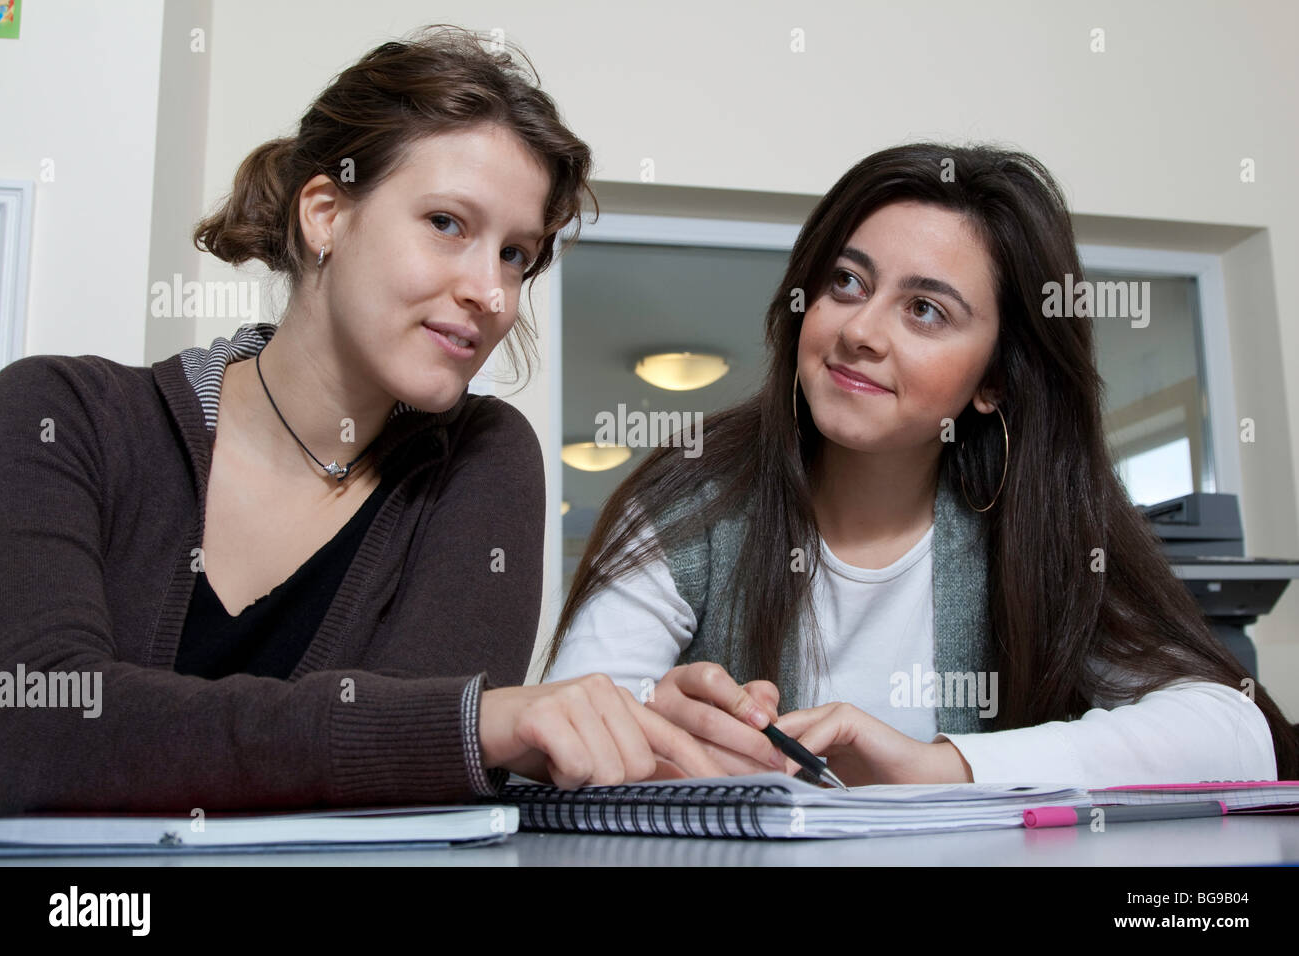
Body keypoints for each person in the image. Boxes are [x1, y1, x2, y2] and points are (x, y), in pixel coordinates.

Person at [0, 25, 720, 814]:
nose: (494, 293)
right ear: (325, 214)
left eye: (517, 254)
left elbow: (415, 784)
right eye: (447, 223)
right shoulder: (57, 416)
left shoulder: (481, 460)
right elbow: (36, 731)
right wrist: (459, 725)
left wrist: (443, 732)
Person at [543, 142, 1298, 787]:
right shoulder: (690, 500)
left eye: (926, 309)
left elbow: (1235, 735)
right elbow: (558, 734)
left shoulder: (1042, 528)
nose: (861, 330)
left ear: (994, 380)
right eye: (847, 282)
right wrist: (654, 735)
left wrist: (939, 765)